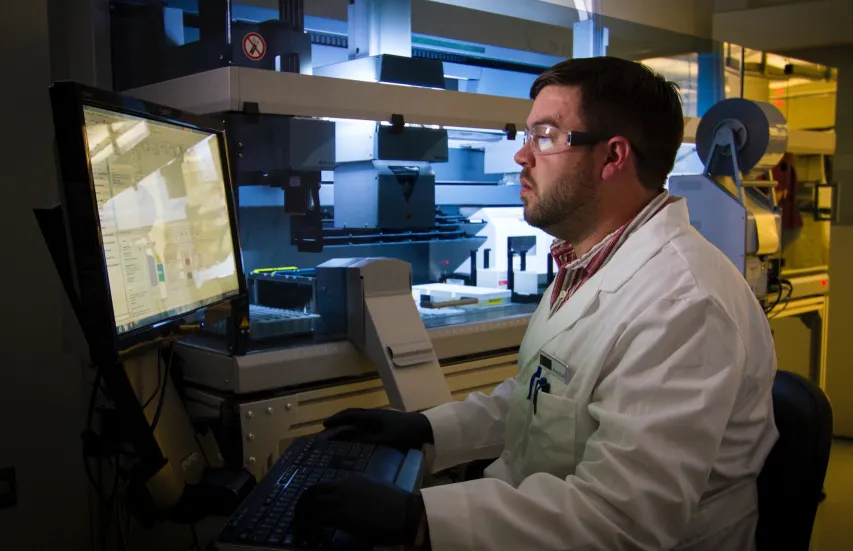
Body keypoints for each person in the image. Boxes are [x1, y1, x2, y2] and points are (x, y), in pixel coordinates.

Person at [294, 56, 779, 551]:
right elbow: (543, 398)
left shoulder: (684, 305)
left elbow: (621, 521)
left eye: (545, 136)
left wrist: (419, 520)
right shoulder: (589, 260)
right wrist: (426, 427)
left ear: (613, 157)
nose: (521, 157)